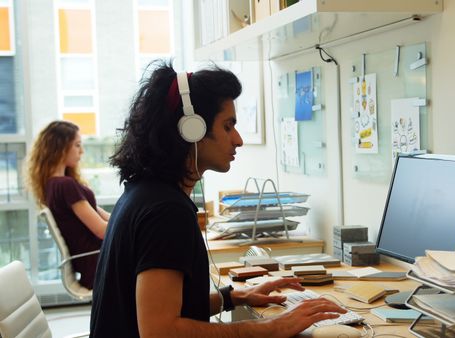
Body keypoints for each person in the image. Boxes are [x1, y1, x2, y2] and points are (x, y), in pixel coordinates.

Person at [89, 60, 345, 338]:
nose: (238, 140)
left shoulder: (144, 193)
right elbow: (159, 331)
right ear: (192, 129)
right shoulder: (166, 213)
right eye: (228, 126)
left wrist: (232, 297)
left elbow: (166, 307)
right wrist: (271, 327)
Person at [26, 120, 110, 289]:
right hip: (100, 265)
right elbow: (101, 230)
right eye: (77, 145)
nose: (82, 151)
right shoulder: (65, 185)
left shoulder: (52, 185)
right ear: (61, 148)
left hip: (94, 262)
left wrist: (130, 220)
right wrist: (133, 228)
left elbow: (99, 214)